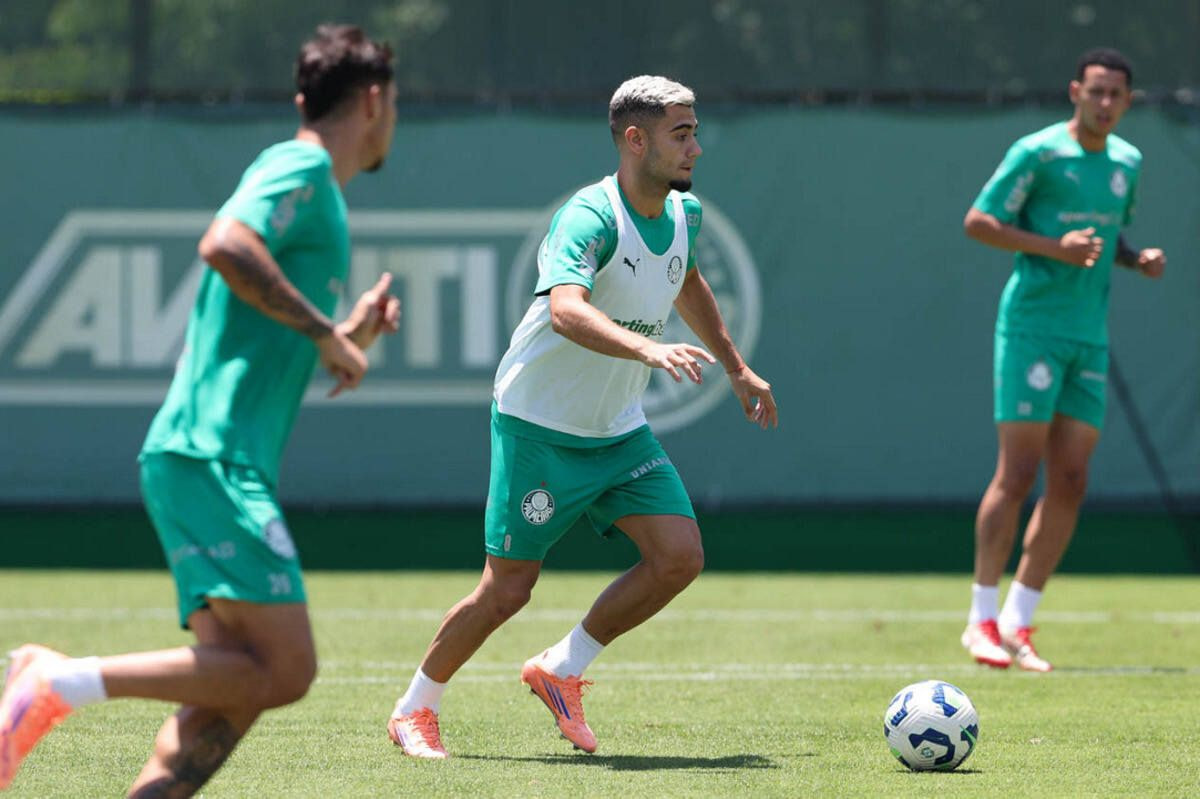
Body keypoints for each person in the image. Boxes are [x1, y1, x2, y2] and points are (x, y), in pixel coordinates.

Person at [0, 24, 401, 795]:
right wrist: (325, 330)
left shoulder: (315, 193)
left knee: (231, 693)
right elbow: (224, 243)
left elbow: (259, 328)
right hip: (209, 457)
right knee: (287, 668)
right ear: (375, 101)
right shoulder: (304, 166)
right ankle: (54, 677)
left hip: (204, 457)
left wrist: (344, 336)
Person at [386, 75, 778, 758]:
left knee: (679, 557)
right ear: (636, 139)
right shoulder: (589, 216)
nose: (696, 147)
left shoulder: (686, 216)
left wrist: (737, 367)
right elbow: (565, 309)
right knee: (508, 590)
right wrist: (647, 347)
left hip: (616, 427)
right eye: (681, 133)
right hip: (538, 425)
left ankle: (561, 667)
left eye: (695, 131)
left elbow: (685, 279)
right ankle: (414, 708)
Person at [960, 48, 1165, 672]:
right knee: (1017, 474)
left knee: (1072, 479)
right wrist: (1054, 245)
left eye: (1117, 95)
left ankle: (1020, 623)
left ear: (1128, 102)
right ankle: (981, 620)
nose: (1105, 103)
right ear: (1075, 90)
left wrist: (1135, 259)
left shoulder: (1127, 162)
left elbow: (1108, 238)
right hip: (1031, 330)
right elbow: (978, 221)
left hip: (1087, 338)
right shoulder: (1038, 152)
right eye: (1095, 91)